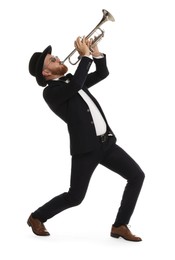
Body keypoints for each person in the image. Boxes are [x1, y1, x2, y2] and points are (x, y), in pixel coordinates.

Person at [28, 36, 145, 242]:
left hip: (106, 143)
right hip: (86, 149)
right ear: (46, 73)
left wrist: (95, 52)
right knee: (75, 197)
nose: (58, 58)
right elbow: (75, 86)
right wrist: (84, 56)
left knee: (137, 176)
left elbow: (102, 73)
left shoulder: (74, 81)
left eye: (54, 56)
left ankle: (119, 225)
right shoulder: (51, 93)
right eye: (52, 60)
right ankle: (37, 217)